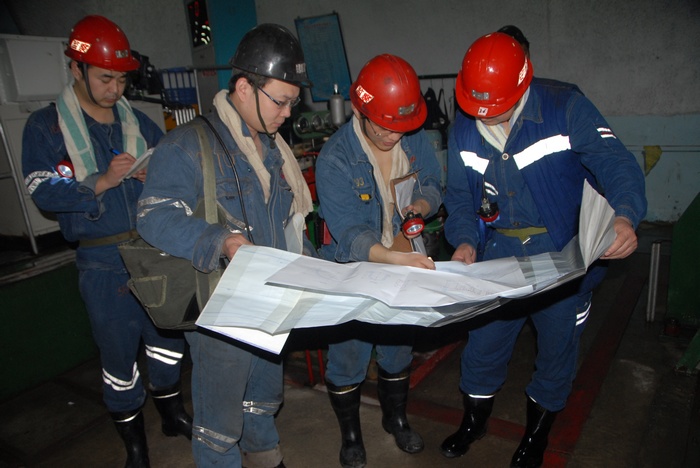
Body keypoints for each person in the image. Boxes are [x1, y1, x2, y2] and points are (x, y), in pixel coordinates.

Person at [440, 31, 647, 467]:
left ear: (522, 85)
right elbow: (458, 197)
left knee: (557, 348)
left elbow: (616, 163)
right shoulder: (464, 127)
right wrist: (464, 240)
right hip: (498, 251)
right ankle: (474, 422)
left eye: (497, 110)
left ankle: (536, 435)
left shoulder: (564, 107)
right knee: (483, 344)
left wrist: (624, 215)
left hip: (562, 252)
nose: (487, 121)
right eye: (479, 111)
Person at [136, 23, 314, 467]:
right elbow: (153, 217)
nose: (287, 113)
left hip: (270, 300)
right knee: (219, 426)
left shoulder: (272, 148)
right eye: (280, 101)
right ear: (244, 88)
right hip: (221, 309)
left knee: (262, 399)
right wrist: (221, 240)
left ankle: (266, 456)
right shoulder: (187, 146)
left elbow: (286, 222)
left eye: (293, 102)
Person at [21, 15, 192, 467]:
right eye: (104, 78)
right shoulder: (45, 127)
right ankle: (135, 447)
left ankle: (171, 414)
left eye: (121, 79)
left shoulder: (138, 122)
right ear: (75, 69)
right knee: (118, 356)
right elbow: (41, 189)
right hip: (102, 262)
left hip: (154, 251)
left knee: (168, 339)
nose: (115, 89)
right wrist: (100, 181)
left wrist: (155, 173)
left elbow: (174, 168)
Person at [315, 54, 443, 468]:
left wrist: (420, 205)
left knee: (397, 350)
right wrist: (391, 258)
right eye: (382, 126)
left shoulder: (413, 136)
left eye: (400, 127)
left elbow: (432, 182)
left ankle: (396, 418)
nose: (392, 135)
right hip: (355, 270)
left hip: (405, 258)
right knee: (348, 357)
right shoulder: (334, 158)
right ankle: (351, 436)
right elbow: (350, 232)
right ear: (360, 110)